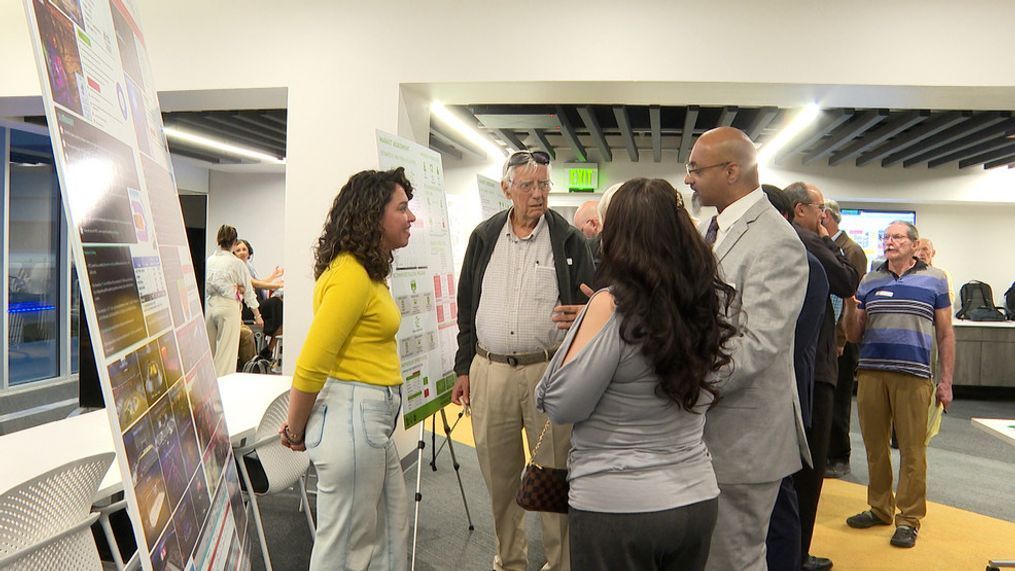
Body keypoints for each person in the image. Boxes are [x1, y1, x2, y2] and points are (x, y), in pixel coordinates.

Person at [535, 178, 735, 571]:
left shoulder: (610, 305)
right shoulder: (705, 301)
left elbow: (559, 403)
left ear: (619, 236)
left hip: (617, 505)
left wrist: (584, 327)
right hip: (695, 496)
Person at [451, 149, 594, 571]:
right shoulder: (484, 237)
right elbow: (465, 308)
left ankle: (559, 562)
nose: (538, 194)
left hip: (548, 372)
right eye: (528, 185)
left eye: (544, 185)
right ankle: (509, 559)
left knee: (553, 474)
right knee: (498, 475)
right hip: (489, 369)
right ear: (506, 188)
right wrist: (463, 368)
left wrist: (584, 317)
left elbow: (596, 304)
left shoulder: (569, 240)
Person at [683, 127, 810, 571]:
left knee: (733, 558)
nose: (689, 180)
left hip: (744, 439)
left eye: (696, 169)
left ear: (732, 170)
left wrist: (686, 384)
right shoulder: (709, 229)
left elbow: (757, 345)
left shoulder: (776, 242)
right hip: (708, 433)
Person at [278, 168, 416, 570]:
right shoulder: (351, 274)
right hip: (354, 418)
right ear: (374, 215)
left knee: (389, 534)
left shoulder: (367, 272)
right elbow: (312, 362)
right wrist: (294, 429)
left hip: (369, 421)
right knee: (344, 551)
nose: (411, 218)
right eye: (402, 208)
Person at [843, 220, 954, 549]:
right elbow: (853, 335)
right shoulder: (869, 280)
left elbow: (946, 334)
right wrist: (851, 304)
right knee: (875, 448)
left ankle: (909, 518)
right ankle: (879, 508)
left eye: (897, 237)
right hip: (871, 373)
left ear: (913, 243)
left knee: (912, 450)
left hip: (914, 376)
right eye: (886, 237)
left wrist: (946, 381)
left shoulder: (935, 280)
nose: (889, 242)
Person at [781, 183, 860, 571]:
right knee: (807, 472)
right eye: (819, 209)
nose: (824, 217)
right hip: (812, 371)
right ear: (800, 210)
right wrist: (828, 239)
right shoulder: (808, 242)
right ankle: (795, 555)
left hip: (806, 366)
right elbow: (847, 280)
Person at [760, 184, 827, 571]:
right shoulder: (782, 261)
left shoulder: (806, 266)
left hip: (785, 400)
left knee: (781, 496)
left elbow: (789, 343)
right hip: (769, 399)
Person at [821, 199, 868, 480]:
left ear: (825, 216)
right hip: (831, 333)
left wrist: (840, 339)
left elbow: (851, 296)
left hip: (844, 338)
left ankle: (840, 456)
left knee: (839, 399)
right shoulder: (831, 246)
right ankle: (828, 452)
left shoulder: (851, 250)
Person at [205, 224, 261, 377]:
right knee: (226, 355)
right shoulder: (237, 264)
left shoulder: (209, 261)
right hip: (229, 308)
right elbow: (249, 293)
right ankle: (223, 389)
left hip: (210, 307)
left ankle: (209, 386)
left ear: (218, 240)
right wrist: (257, 315)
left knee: (210, 352)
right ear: (234, 242)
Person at [233, 239, 284, 367]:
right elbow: (254, 284)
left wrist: (273, 276)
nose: (242, 252)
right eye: (238, 250)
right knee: (277, 303)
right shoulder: (238, 267)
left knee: (282, 309)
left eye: (244, 249)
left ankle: (268, 349)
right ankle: (268, 350)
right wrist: (276, 284)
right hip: (248, 307)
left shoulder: (248, 266)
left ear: (249, 252)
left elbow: (258, 282)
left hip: (255, 303)